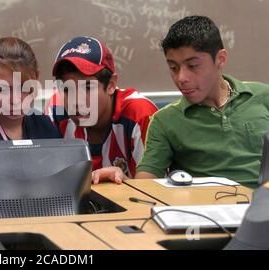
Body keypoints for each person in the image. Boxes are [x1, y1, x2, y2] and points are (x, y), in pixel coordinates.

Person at [133, 15, 269, 189]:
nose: (181, 78)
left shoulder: (263, 97)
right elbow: (145, 185)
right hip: (207, 211)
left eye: (193, 66)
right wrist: (122, 183)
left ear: (220, 59)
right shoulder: (164, 121)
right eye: (173, 68)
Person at [48, 36, 158, 184]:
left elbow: (156, 194)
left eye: (88, 88)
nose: (77, 101)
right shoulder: (56, 111)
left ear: (111, 85)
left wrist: (124, 182)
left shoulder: (139, 114)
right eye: (67, 89)